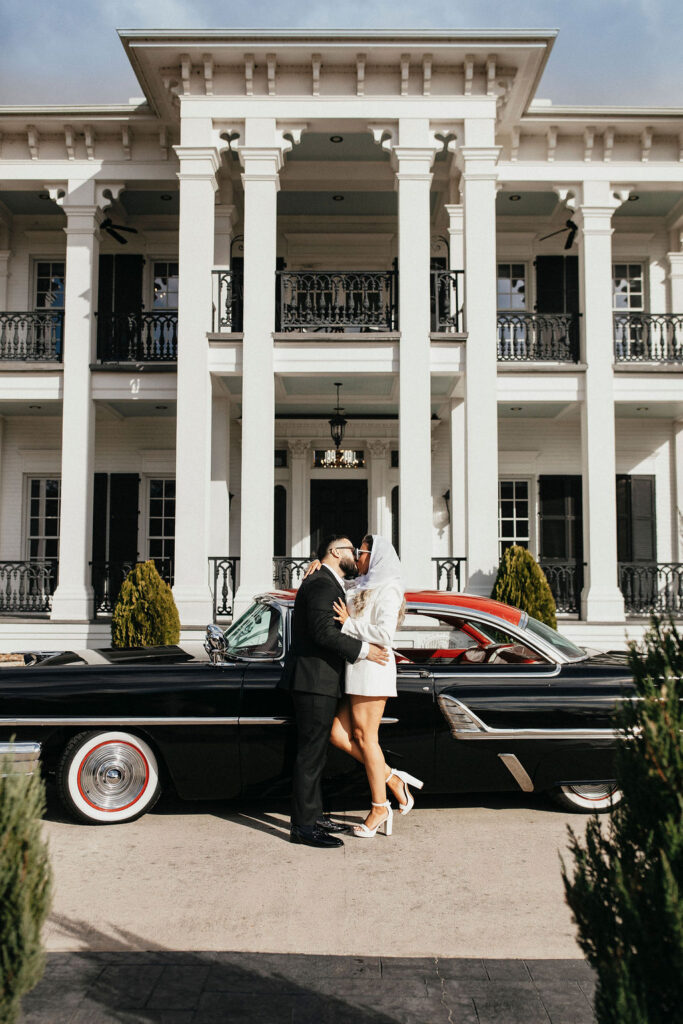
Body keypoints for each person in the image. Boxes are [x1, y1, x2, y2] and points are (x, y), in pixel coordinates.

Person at [305, 535, 424, 838]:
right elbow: (335, 577)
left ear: (376, 556)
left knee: (366, 737)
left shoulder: (389, 588)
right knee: (338, 733)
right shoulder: (361, 584)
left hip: (374, 667)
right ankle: (393, 779)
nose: (357, 556)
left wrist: (348, 623)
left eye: (362, 551)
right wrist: (319, 562)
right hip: (356, 668)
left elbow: (385, 635)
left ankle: (380, 807)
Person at [279, 534, 390, 849]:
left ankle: (314, 817)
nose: (356, 555)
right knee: (310, 755)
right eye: (351, 549)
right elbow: (323, 632)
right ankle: (303, 827)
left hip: (321, 681)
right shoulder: (321, 584)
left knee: (316, 754)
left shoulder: (327, 580)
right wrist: (366, 651)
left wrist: (316, 560)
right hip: (314, 681)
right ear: (336, 552)